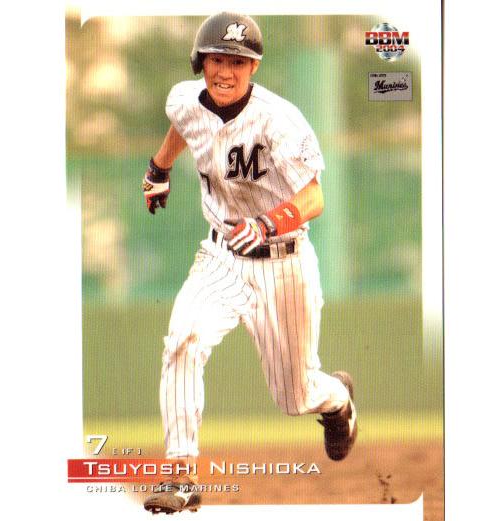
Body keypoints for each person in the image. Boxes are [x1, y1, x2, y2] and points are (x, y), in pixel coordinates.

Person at [141, 12, 357, 515]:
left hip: (284, 262)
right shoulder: (183, 99)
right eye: (217, 59)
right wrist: (159, 168)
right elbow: (183, 127)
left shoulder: (279, 119)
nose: (226, 71)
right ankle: (181, 475)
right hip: (221, 255)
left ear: (253, 67)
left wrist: (266, 224)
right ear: (200, 62)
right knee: (184, 340)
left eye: (238, 62)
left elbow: (314, 197)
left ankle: (337, 400)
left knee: (296, 395)